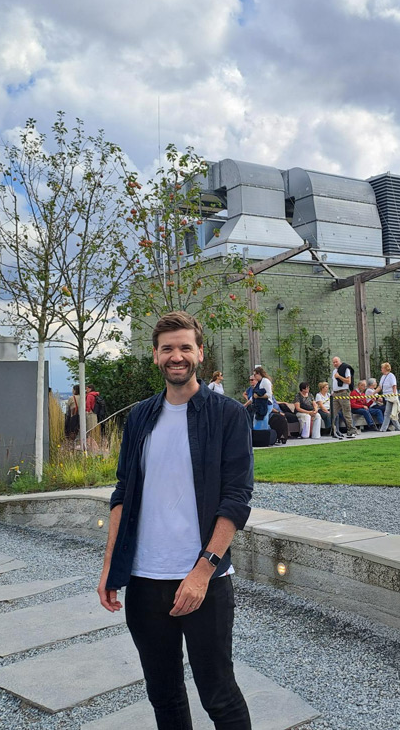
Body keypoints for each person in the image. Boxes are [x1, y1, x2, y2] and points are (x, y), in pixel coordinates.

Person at [97, 311, 253, 729]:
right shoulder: (140, 417)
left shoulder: (227, 415)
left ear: (200, 353)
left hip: (204, 581)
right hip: (145, 580)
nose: (176, 356)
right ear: (155, 356)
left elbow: (236, 500)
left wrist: (202, 572)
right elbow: (123, 493)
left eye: (185, 347)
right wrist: (111, 565)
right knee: (163, 696)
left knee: (219, 695)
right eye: (168, 348)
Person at [330, 356, 357, 438]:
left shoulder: (345, 368)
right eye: (333, 362)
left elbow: (348, 381)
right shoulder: (334, 371)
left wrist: (339, 377)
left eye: (336, 362)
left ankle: (351, 430)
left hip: (343, 392)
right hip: (335, 393)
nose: (335, 363)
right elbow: (334, 382)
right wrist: (332, 391)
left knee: (346, 412)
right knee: (333, 413)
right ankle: (334, 430)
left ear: (340, 361)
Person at [378, 363, 400, 431]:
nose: (381, 369)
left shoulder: (391, 376)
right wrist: (373, 393)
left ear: (385, 369)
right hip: (385, 397)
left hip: (391, 397)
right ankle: (398, 428)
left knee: (387, 413)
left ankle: (383, 428)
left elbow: (394, 386)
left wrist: (394, 395)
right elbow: (380, 387)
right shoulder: (383, 377)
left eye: (382, 368)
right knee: (391, 413)